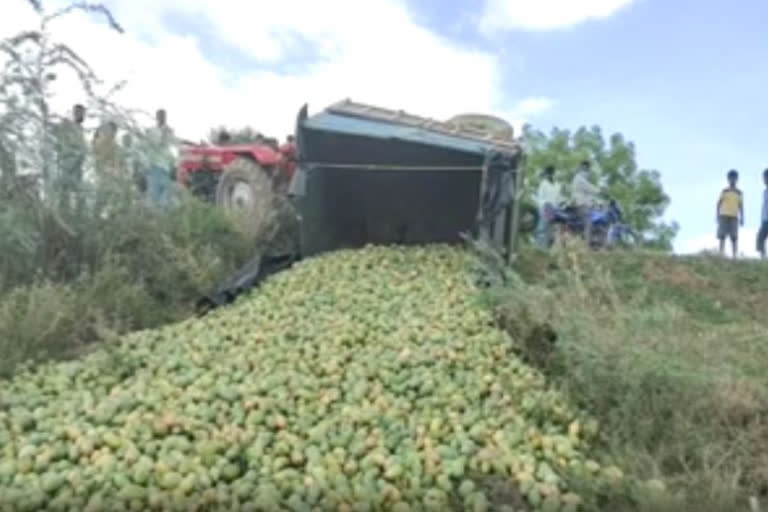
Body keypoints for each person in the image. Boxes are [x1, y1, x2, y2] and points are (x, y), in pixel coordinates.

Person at [53, 104, 87, 210]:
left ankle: (78, 215)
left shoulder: (81, 128)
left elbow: (83, 147)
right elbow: (57, 140)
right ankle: (63, 212)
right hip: (67, 161)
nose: (81, 115)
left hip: (78, 163)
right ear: (74, 113)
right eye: (78, 112)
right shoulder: (66, 125)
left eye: (83, 113)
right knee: (65, 190)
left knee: (79, 191)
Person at [145, 108, 177, 207]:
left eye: (164, 116)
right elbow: (157, 144)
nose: (163, 118)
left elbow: (174, 143)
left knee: (165, 199)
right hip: (155, 167)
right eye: (161, 116)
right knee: (153, 197)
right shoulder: (152, 131)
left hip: (166, 168)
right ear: (157, 117)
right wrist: (164, 132)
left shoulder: (168, 130)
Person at [570, 160, 601, 244]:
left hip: (582, 203)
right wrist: (600, 191)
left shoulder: (580, 178)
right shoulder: (579, 178)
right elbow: (589, 188)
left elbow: (589, 194)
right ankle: (586, 245)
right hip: (581, 204)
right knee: (588, 222)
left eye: (587, 168)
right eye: (586, 168)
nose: (587, 170)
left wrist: (596, 202)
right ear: (583, 168)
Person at [716, 169, 744, 258]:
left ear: (737, 179)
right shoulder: (725, 191)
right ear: (728, 179)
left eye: (734, 178)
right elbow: (718, 203)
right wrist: (717, 215)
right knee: (722, 236)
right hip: (723, 215)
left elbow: (741, 205)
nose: (733, 180)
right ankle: (721, 254)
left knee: (734, 237)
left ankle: (734, 255)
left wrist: (742, 217)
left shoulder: (739, 192)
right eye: (731, 178)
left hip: (734, 216)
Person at [535, 165, 561, 249]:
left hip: (554, 209)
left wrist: (558, 205)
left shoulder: (557, 185)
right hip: (546, 207)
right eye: (553, 173)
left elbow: (557, 198)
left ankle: (547, 247)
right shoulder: (544, 184)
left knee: (550, 229)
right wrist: (545, 206)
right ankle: (540, 247)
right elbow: (540, 197)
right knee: (542, 228)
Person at [756, 169, 768, 259]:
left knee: (760, 238)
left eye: (765, 178)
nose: (763, 180)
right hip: (765, 220)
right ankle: (763, 257)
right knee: (760, 238)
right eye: (763, 178)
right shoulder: (765, 191)